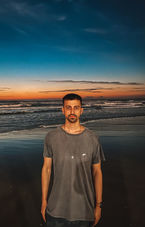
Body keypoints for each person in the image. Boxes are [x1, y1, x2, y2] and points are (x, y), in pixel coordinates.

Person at [41, 93, 106, 227]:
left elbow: (97, 172)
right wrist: (43, 201)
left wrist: (98, 205)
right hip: (55, 210)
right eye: (68, 107)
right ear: (63, 110)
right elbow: (46, 169)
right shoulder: (51, 137)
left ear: (81, 110)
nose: (72, 111)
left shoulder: (92, 138)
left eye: (76, 108)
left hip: (84, 211)